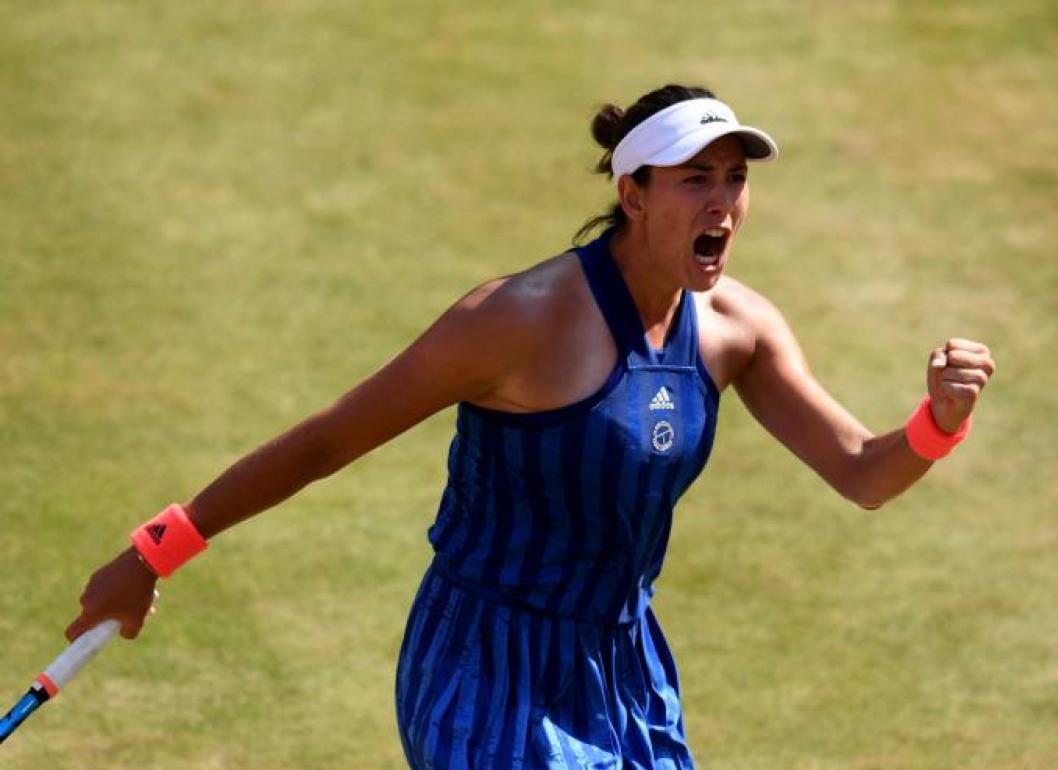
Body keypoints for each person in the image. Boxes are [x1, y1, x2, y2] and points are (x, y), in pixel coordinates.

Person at [66, 83, 995, 769]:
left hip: (624, 667)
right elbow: (324, 443)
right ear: (633, 194)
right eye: (695, 179)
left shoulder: (738, 331)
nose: (722, 202)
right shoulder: (514, 320)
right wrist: (152, 556)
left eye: (735, 180)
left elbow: (863, 472)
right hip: (483, 662)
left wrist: (936, 422)